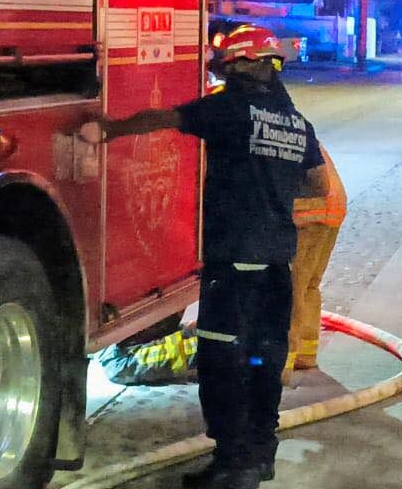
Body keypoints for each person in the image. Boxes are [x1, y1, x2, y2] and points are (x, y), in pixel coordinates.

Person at [80, 25, 327, 489]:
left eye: (228, 67)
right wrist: (274, 189)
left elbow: (164, 118)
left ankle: (233, 466)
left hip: (234, 264)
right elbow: (319, 186)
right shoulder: (296, 122)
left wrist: (109, 129)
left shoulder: (230, 110)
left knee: (222, 361)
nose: (224, 75)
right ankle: (260, 455)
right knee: (264, 358)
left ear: (243, 65)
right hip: (276, 265)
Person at [283, 146, 347, 385]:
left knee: (291, 290)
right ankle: (305, 354)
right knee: (310, 285)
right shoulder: (298, 129)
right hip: (333, 209)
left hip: (307, 213)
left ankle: (283, 363)